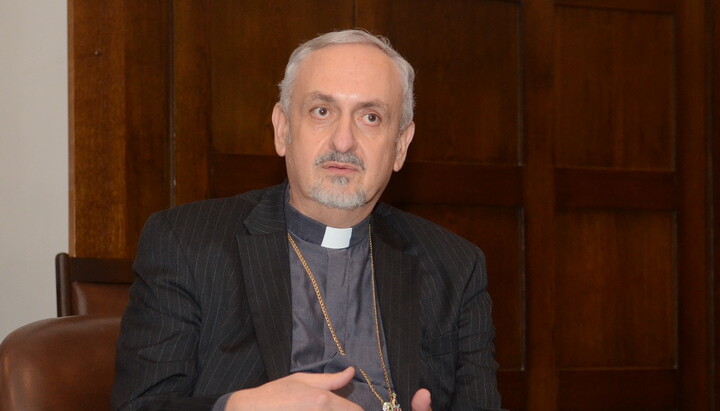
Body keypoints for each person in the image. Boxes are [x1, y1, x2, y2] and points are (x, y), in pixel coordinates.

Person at [112, 29, 502, 411]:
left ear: (400, 145)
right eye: (322, 111)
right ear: (283, 129)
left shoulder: (455, 266)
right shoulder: (187, 242)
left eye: (370, 117)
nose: (343, 141)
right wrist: (239, 408)